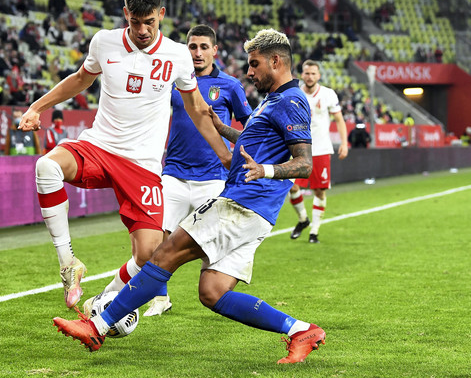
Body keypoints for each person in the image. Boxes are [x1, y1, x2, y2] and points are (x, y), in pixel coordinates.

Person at [53, 28, 326, 365]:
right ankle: (301, 330)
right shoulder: (274, 100)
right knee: (213, 293)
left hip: (243, 204)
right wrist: (221, 127)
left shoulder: (292, 100)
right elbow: (254, 141)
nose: (250, 72)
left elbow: (304, 163)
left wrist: (265, 171)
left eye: (254, 64)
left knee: (163, 255)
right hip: (256, 211)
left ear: (275, 61)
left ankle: (97, 326)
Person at [18, 0, 231, 309]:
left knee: (148, 256)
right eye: (135, 21)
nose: (143, 29)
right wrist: (36, 107)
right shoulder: (104, 42)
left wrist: (226, 156)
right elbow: (79, 80)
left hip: (142, 165)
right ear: (125, 14)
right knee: (46, 166)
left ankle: (101, 302)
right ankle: (68, 263)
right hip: (99, 146)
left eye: (149, 21)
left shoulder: (177, 55)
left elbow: (196, 109)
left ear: (161, 14)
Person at [140, 24, 253, 317]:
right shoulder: (173, 82)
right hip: (174, 173)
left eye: (204, 47)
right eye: (193, 47)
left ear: (215, 51)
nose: (198, 52)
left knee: (211, 241)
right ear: (186, 49)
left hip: (213, 177)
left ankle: (216, 293)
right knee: (156, 237)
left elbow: (250, 127)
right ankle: (160, 298)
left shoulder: (229, 85)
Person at [288, 59, 348, 244]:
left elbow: (339, 119)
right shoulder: (294, 92)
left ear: (319, 75)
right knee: (291, 186)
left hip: (321, 149)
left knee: (319, 191)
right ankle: (303, 219)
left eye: (313, 73)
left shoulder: (328, 94)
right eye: (307, 73)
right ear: (302, 74)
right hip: (298, 148)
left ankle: (314, 231)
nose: (310, 76)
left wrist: (344, 143)